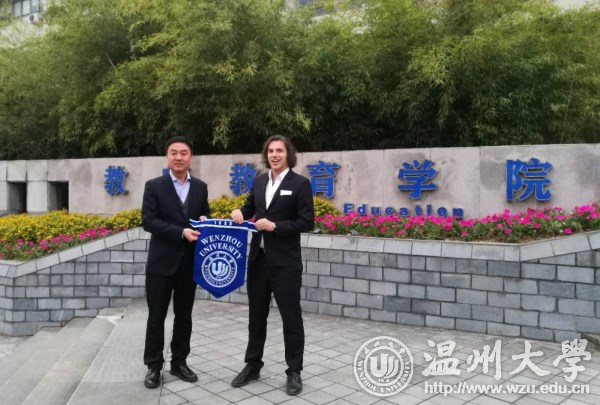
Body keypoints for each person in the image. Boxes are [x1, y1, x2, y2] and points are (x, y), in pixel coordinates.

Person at [230, 135, 315, 396]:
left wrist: (275, 225)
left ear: (289, 154)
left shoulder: (300, 184)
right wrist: (239, 213)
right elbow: (249, 207)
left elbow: (306, 221)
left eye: (279, 150)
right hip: (258, 260)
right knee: (256, 317)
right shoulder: (259, 180)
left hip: (285, 263)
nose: (274, 155)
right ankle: (253, 365)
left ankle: (294, 371)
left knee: (291, 317)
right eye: (270, 151)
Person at [141, 136, 210, 389]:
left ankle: (179, 362)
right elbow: (148, 221)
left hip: (189, 264)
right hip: (161, 263)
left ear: (190, 157)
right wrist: (180, 232)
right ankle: (154, 366)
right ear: (167, 156)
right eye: (174, 153)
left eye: (183, 153)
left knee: (184, 315)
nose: (179, 157)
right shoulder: (154, 186)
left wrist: (205, 219)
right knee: (156, 317)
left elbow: (204, 213)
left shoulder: (200, 187)